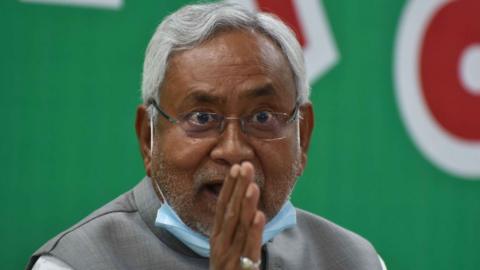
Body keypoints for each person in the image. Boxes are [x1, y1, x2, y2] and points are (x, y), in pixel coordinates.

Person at [27, 3, 386, 270]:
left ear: (302, 136)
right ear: (148, 139)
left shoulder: (354, 261)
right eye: (201, 118)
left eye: (262, 117)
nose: (233, 150)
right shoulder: (75, 265)